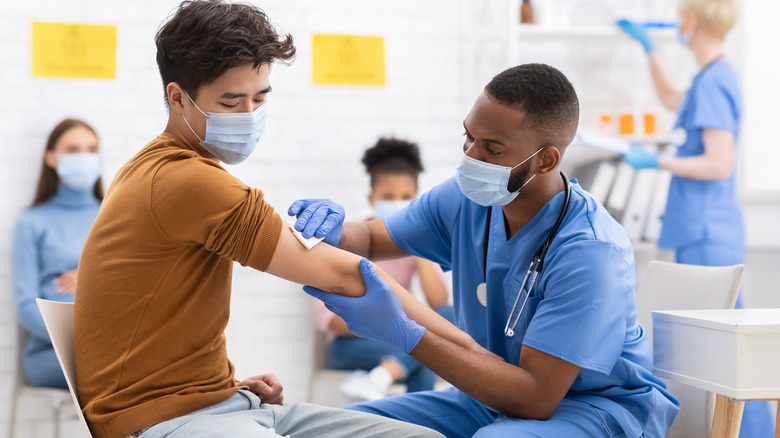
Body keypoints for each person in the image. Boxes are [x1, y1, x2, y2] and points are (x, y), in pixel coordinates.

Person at [72, 1, 478, 437]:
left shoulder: (156, 168)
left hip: (221, 403)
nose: (249, 115)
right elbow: (346, 275)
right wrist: (479, 361)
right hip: (155, 421)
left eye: (259, 98)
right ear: (177, 98)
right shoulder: (186, 180)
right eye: (231, 102)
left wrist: (221, 387)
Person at [296, 63, 680, 437]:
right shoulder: (465, 200)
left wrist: (405, 333)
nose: (470, 157)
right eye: (469, 137)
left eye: (492, 148)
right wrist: (333, 230)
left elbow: (536, 400)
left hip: (595, 410)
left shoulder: (592, 252)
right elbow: (372, 239)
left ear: (546, 160)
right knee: (339, 428)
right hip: (491, 399)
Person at [618, 2, 773, 435]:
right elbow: (671, 97)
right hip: (704, 228)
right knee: (725, 347)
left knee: (727, 352)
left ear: (689, 22)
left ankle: (750, 431)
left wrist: (658, 162)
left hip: (707, 230)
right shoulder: (712, 77)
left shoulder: (714, 81)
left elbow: (718, 163)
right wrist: (649, 48)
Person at [313, 137, 455, 402]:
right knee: (424, 350)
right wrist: (389, 326)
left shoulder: (414, 242)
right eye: (388, 197)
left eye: (405, 198)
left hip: (394, 338)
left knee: (448, 319)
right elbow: (328, 321)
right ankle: (418, 427)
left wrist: (415, 244)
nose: (397, 203)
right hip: (349, 345)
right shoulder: (345, 239)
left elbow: (439, 304)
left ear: (416, 200)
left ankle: (382, 377)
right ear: (371, 198)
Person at [12, 118, 103, 389]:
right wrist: (82, 339)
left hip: (111, 345)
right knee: (118, 371)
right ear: (51, 158)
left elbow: (138, 285)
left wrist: (89, 277)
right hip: (51, 353)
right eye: (73, 150)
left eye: (91, 149)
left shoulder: (115, 216)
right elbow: (26, 306)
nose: (84, 157)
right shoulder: (32, 221)